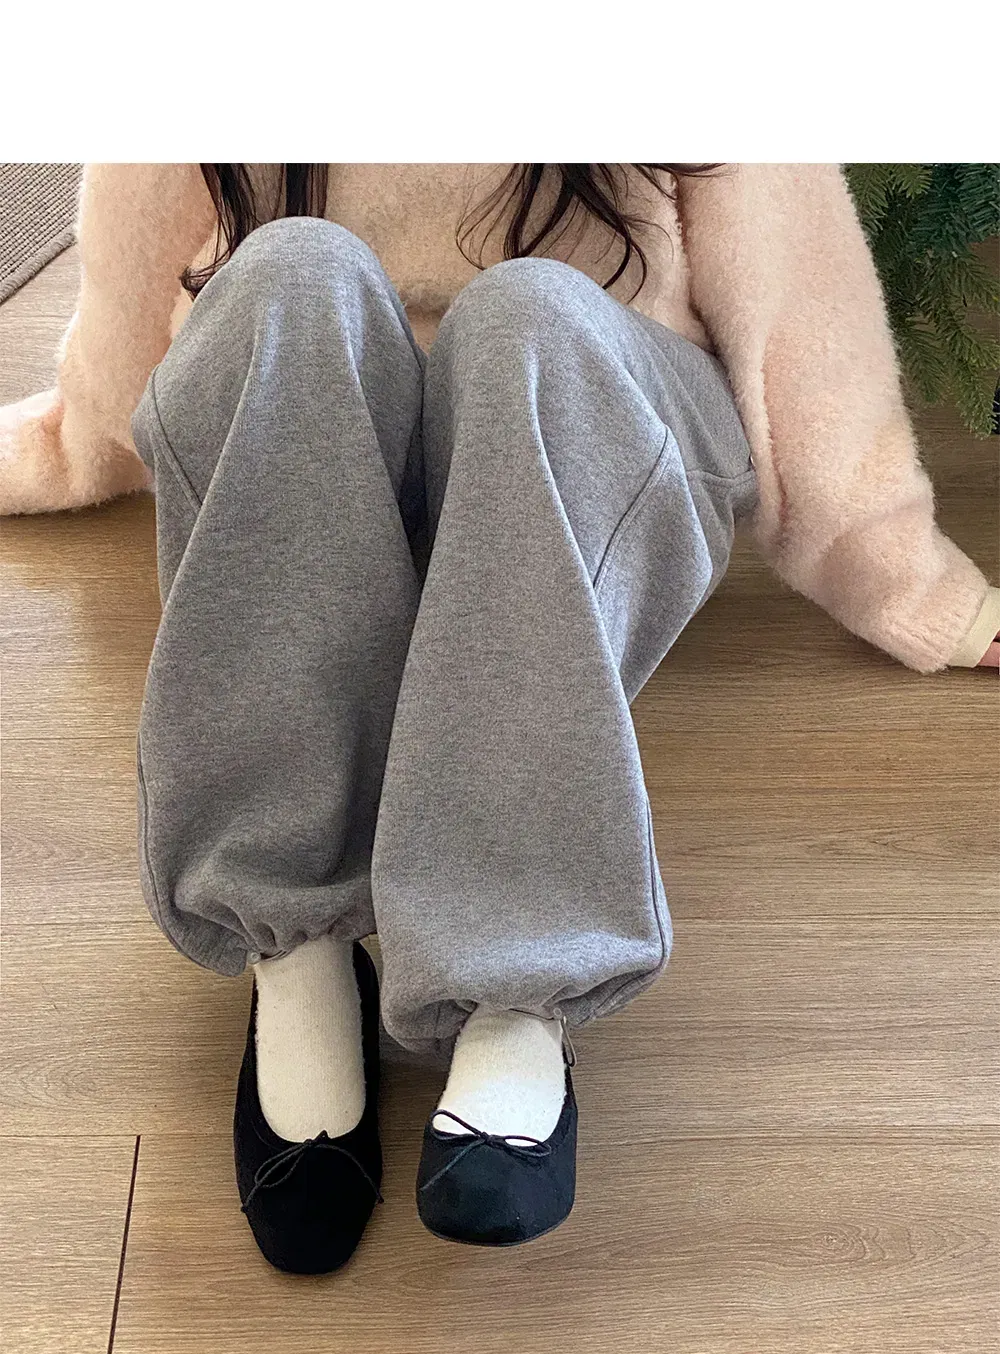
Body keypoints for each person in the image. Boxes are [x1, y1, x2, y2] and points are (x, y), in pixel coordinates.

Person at [2, 163, 997, 1274]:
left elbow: (799, 301)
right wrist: (70, 446)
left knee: (529, 313)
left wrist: (908, 579)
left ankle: (518, 985)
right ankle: (300, 945)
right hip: (330, 449)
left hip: (582, 419)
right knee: (286, 274)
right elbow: (136, 259)